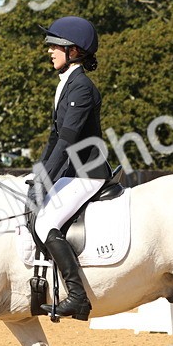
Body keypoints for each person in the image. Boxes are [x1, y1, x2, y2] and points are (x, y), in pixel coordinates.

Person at [32, 16, 110, 321]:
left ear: (73, 51)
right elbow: (54, 139)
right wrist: (38, 175)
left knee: (45, 223)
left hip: (87, 172)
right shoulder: (66, 84)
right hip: (72, 171)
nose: (49, 50)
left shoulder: (81, 88)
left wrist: (45, 182)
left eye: (55, 46)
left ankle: (78, 296)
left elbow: (67, 141)